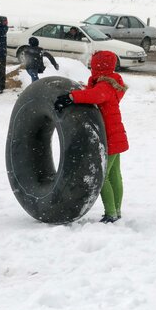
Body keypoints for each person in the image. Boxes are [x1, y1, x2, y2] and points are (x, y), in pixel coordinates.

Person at [54, 51, 129, 223]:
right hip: (116, 136)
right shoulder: (112, 84)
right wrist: (84, 89)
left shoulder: (104, 87)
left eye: (93, 64)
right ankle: (116, 210)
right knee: (115, 175)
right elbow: (94, 93)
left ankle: (111, 214)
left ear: (98, 67)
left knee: (102, 178)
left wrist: (71, 97)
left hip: (110, 138)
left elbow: (95, 95)